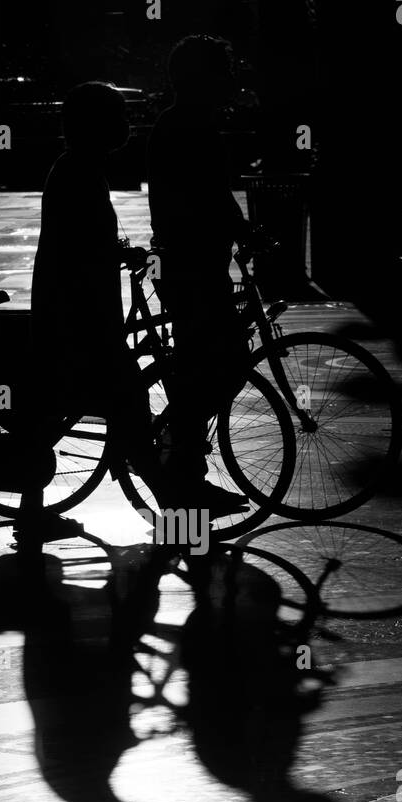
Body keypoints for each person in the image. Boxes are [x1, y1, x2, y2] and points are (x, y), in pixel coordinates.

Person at [29, 81, 160, 496]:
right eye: (117, 116)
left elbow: (85, 240)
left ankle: (164, 486)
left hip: (79, 313)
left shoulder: (80, 167)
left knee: (71, 407)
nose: (126, 124)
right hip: (80, 317)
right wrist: (117, 255)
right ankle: (174, 499)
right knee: (130, 399)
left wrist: (120, 252)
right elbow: (80, 247)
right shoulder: (78, 172)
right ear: (96, 124)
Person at [146, 35, 252, 512]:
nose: (232, 80)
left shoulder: (190, 123)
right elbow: (205, 198)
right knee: (215, 363)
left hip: (195, 264)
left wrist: (240, 230)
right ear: (202, 78)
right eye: (223, 71)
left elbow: (215, 195)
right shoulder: (186, 127)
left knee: (209, 364)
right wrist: (238, 229)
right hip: (190, 267)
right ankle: (180, 461)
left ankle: (181, 455)